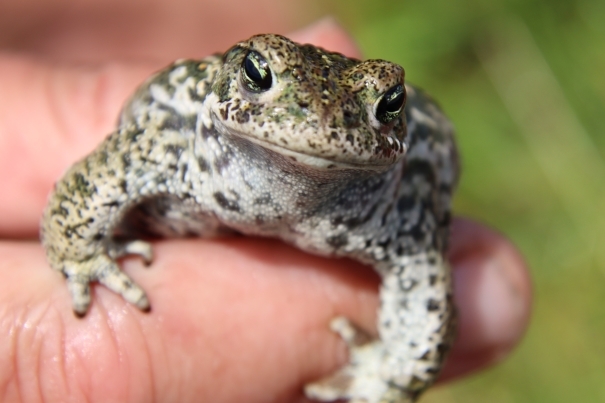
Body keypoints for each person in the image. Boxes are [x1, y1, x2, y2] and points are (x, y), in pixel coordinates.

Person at [0, 3, 531, 400]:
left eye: (385, 103)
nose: (318, 123)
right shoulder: (174, 136)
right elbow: (94, 179)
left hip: (359, 196)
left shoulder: (402, 194)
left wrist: (388, 377)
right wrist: (77, 253)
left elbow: (422, 307)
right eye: (260, 76)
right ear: (240, 81)